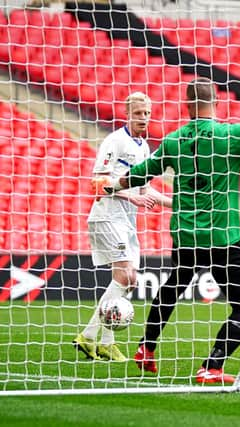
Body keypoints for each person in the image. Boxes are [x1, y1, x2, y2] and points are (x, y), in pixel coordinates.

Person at [92, 77, 240, 384]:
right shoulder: (232, 134)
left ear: (187, 106)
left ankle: (146, 347)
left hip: (185, 233)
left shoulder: (174, 141)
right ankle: (212, 366)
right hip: (222, 235)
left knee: (174, 286)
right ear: (216, 103)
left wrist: (114, 184)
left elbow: (140, 173)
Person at [74, 92, 172, 362]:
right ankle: (89, 336)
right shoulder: (115, 141)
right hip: (106, 216)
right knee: (127, 277)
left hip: (127, 222)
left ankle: (104, 342)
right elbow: (97, 182)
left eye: (147, 113)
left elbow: (145, 189)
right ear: (128, 113)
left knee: (128, 281)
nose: (144, 118)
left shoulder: (144, 148)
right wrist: (133, 197)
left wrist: (177, 203)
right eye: (139, 113)